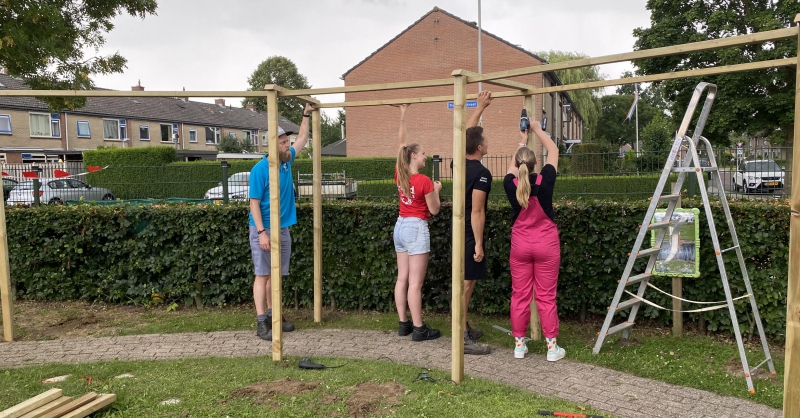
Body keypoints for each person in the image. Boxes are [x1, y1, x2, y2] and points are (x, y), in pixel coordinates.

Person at [249, 102, 314, 341]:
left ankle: (273, 316)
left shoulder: (286, 161)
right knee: (262, 275)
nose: (287, 145)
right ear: (272, 144)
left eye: (287, 141)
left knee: (275, 276)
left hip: (282, 227)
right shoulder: (260, 169)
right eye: (283, 142)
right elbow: (253, 204)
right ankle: (261, 323)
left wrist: (305, 114)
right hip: (264, 228)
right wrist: (261, 233)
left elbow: (304, 138)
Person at [503, 120, 565, 362]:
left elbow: (512, 167)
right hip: (546, 244)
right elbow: (554, 151)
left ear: (518, 165)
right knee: (546, 296)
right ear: (535, 164)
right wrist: (538, 130)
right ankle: (552, 349)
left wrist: (522, 140)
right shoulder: (546, 179)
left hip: (520, 245)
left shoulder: (510, 184)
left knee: (520, 295)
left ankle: (519, 346)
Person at [393, 103, 443, 342]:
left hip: (400, 225)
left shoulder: (400, 173)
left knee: (402, 278)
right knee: (415, 283)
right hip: (415, 227)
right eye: (423, 153)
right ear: (414, 156)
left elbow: (400, 146)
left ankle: (404, 324)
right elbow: (434, 210)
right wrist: (437, 190)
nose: (425, 156)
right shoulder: (424, 180)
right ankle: (419, 328)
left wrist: (403, 116)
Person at [459, 91, 494, 355]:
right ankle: (461, 337)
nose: (486, 141)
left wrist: (480, 107)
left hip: (457, 229)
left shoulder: (458, 164)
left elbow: (465, 134)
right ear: (480, 148)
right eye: (484, 141)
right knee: (467, 284)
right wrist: (479, 244)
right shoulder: (482, 173)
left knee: (464, 282)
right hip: (470, 233)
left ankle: (463, 326)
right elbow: (477, 211)